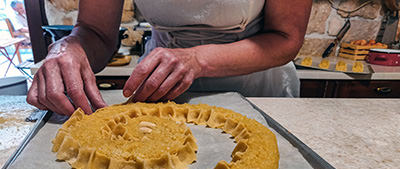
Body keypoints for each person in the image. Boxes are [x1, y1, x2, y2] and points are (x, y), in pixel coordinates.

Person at [27, 0, 312, 116]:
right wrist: (71, 46)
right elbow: (95, 32)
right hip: (161, 87)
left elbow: (286, 38)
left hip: (256, 86)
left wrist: (197, 59)